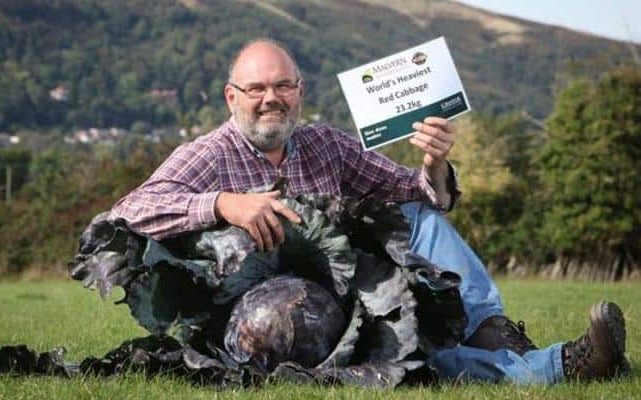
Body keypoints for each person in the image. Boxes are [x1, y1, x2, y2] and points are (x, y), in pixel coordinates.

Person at [110, 39, 628, 384]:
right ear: (232, 97)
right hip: (261, 325)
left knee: (417, 219)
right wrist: (223, 204)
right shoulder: (207, 156)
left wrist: (435, 162)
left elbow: (415, 191)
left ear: (299, 92)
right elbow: (129, 213)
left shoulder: (324, 146)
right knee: (411, 356)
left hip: (343, 300)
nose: (272, 98)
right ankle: (563, 365)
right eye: (257, 89)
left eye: (283, 86)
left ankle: (490, 327)